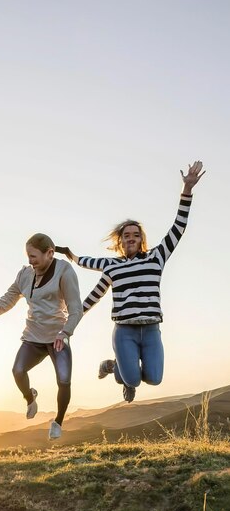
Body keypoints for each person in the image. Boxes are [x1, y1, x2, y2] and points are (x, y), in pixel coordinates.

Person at [55, 160, 205, 403]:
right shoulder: (112, 266)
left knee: (154, 378)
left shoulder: (157, 256)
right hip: (124, 330)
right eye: (127, 236)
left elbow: (179, 226)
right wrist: (70, 256)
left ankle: (114, 366)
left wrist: (186, 190)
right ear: (120, 242)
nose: (131, 239)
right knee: (133, 379)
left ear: (142, 240)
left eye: (136, 235)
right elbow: (87, 269)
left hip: (151, 329)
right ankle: (121, 373)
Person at [0, 233, 82, 440]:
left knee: (64, 381)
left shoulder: (64, 271)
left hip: (58, 337)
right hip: (33, 337)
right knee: (18, 370)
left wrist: (65, 332)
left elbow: (76, 309)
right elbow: (7, 301)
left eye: (34, 257)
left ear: (49, 253)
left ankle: (57, 422)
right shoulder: (25, 275)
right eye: (28, 256)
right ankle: (30, 398)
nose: (30, 261)